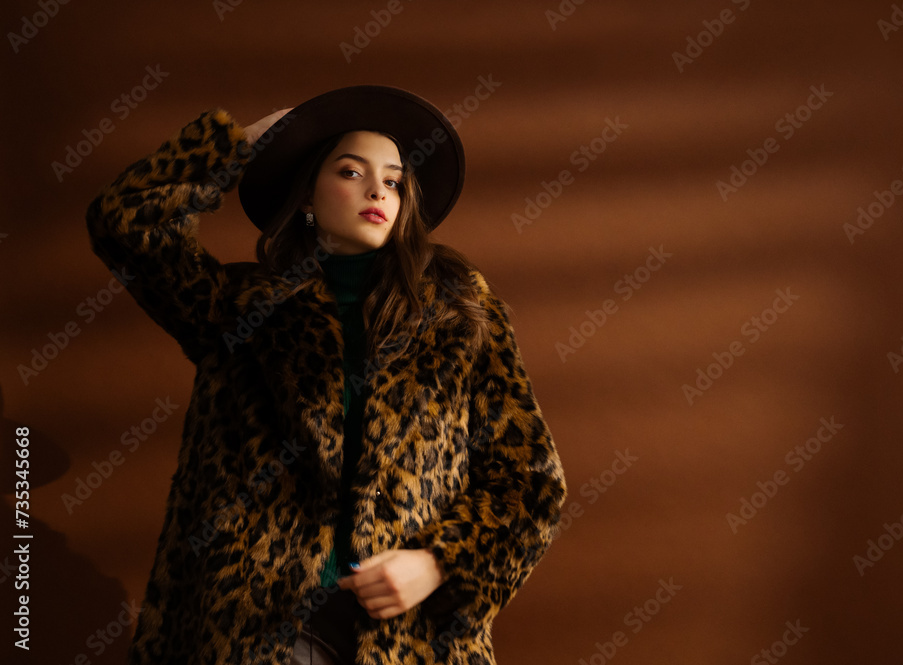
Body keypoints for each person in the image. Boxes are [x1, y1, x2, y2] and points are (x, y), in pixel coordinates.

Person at [84, 84, 566, 665]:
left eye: (393, 181)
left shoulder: (460, 314)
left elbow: (530, 480)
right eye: (351, 172)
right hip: (260, 627)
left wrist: (437, 562)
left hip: (410, 634)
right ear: (307, 196)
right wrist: (238, 146)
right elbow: (124, 222)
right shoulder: (240, 311)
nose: (377, 191)